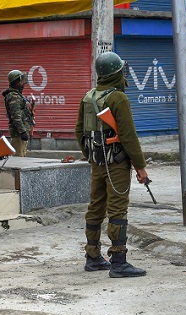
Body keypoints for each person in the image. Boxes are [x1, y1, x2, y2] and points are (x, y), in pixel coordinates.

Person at [75, 51, 148, 278]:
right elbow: (128, 136)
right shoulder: (118, 98)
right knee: (117, 210)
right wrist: (140, 166)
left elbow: (79, 132)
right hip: (116, 163)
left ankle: (93, 256)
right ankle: (118, 261)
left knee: (95, 207)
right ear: (118, 73)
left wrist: (92, 156)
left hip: (97, 163)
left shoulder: (89, 96)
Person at [2, 70, 35, 157]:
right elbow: (16, 116)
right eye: (21, 81)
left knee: (22, 156)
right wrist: (22, 131)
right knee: (18, 158)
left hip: (21, 132)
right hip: (18, 133)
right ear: (16, 82)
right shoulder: (13, 96)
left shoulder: (17, 95)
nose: (23, 84)